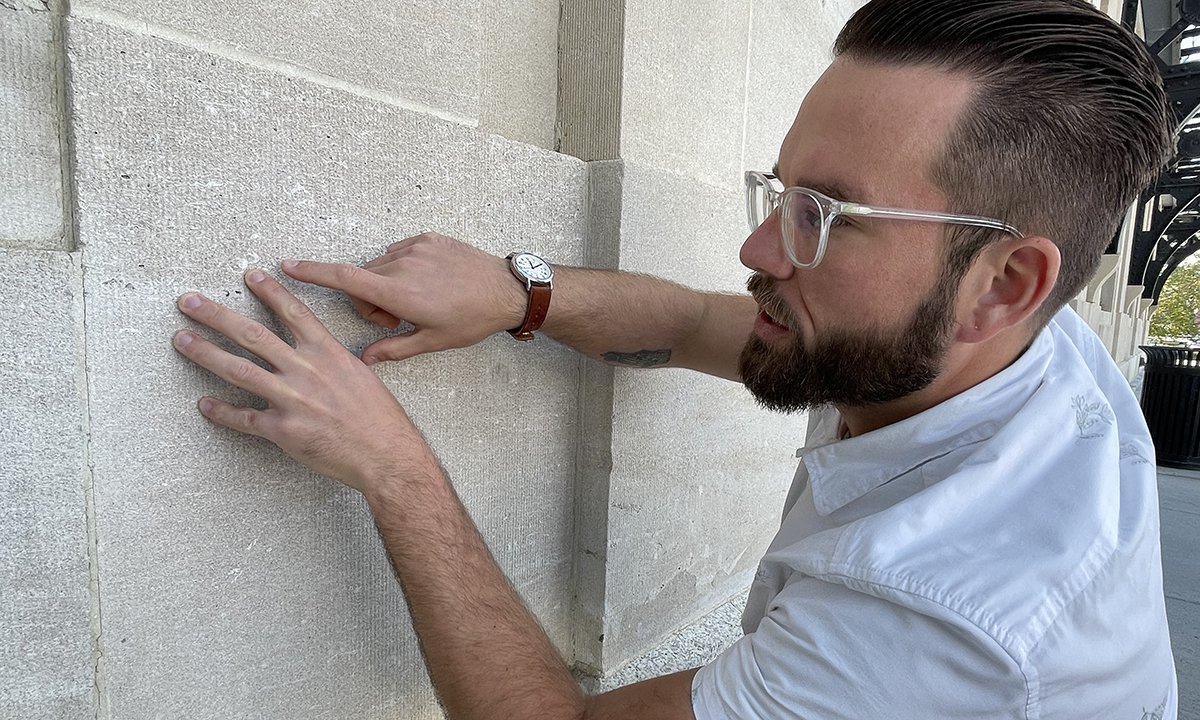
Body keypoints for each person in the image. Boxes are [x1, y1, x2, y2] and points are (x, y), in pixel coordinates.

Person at [171, 0, 1179, 717]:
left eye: (825, 215)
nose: (758, 251)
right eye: (778, 193)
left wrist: (394, 469)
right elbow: (709, 327)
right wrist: (522, 292)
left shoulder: (937, 628)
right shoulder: (988, 353)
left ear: (1005, 284)